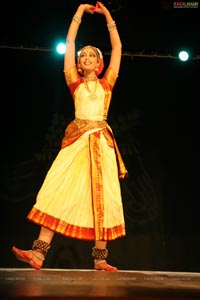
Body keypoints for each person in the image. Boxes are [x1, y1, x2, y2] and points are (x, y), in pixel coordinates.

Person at [12, 1, 128, 272]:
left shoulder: (106, 84)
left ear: (99, 63)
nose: (86, 58)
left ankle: (100, 258)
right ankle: (38, 254)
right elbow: (69, 40)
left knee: (103, 197)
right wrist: (77, 13)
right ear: (78, 62)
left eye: (91, 56)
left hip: (101, 144)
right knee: (57, 189)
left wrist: (108, 16)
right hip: (77, 144)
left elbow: (119, 48)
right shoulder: (73, 82)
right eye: (82, 56)